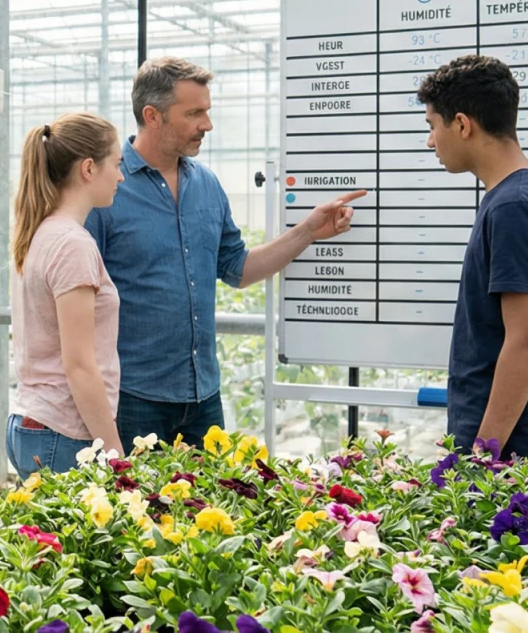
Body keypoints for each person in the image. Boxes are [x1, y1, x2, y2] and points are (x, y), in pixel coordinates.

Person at [86, 57, 365, 448]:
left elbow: (237, 268)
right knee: (138, 508)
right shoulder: (106, 192)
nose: (207, 124)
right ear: (152, 116)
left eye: (208, 111)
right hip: (134, 397)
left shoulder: (206, 185)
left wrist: (307, 232)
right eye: (194, 113)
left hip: (203, 397)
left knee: (211, 507)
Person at [420, 55, 528, 461]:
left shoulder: (517, 206)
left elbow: (526, 342)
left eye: (432, 126)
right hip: (514, 444)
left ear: (461, 124)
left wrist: (481, 454)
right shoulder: (519, 196)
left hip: (510, 454)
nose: (429, 141)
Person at [6, 112, 127, 479]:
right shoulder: (72, 244)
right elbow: (79, 365)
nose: (121, 177)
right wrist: (114, 451)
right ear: (88, 169)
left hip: (35, 422)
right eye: (117, 164)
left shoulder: (38, 233)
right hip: (64, 432)